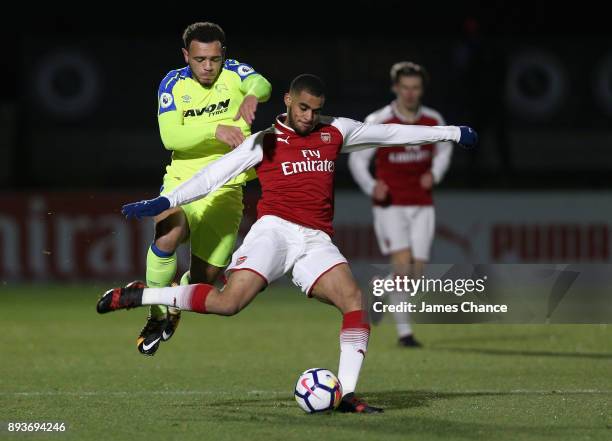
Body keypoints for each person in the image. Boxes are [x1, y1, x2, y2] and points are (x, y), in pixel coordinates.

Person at [97, 74, 477, 413]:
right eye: (303, 108)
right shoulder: (265, 141)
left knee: (353, 301)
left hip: (315, 239)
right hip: (274, 231)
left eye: (316, 110)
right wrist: (166, 201)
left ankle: (346, 395)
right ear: (288, 101)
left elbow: (391, 134)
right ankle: (140, 296)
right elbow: (213, 175)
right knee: (229, 304)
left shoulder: (336, 131)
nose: (309, 117)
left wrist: (452, 133)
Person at [137, 22, 272, 356]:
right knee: (167, 232)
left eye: (214, 58)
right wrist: (216, 130)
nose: (208, 66)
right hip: (184, 180)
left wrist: (253, 93)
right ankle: (155, 315)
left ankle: (174, 305)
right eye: (199, 59)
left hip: (228, 187)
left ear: (223, 54)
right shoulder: (172, 83)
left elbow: (262, 82)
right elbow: (170, 138)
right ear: (187, 56)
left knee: (202, 280)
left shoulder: (236, 74)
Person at [348, 61, 452, 348]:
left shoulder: (432, 120)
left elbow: (444, 148)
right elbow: (357, 160)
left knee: (415, 274)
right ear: (395, 88)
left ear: (421, 90)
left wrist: (435, 173)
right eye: (404, 87)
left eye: (415, 88)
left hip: (422, 204)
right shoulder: (379, 120)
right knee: (403, 265)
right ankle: (405, 334)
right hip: (390, 204)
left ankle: (379, 286)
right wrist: (372, 186)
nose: (409, 93)